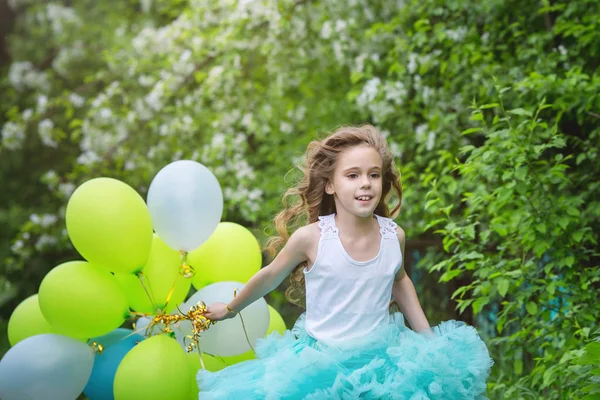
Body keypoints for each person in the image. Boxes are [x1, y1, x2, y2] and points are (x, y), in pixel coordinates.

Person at [199, 125, 493, 399]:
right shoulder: (312, 238)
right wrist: (229, 309)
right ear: (330, 186)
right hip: (320, 365)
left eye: (374, 175)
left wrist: (428, 340)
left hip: (382, 364)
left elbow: (400, 281)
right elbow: (271, 275)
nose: (365, 184)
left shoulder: (394, 236)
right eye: (353, 175)